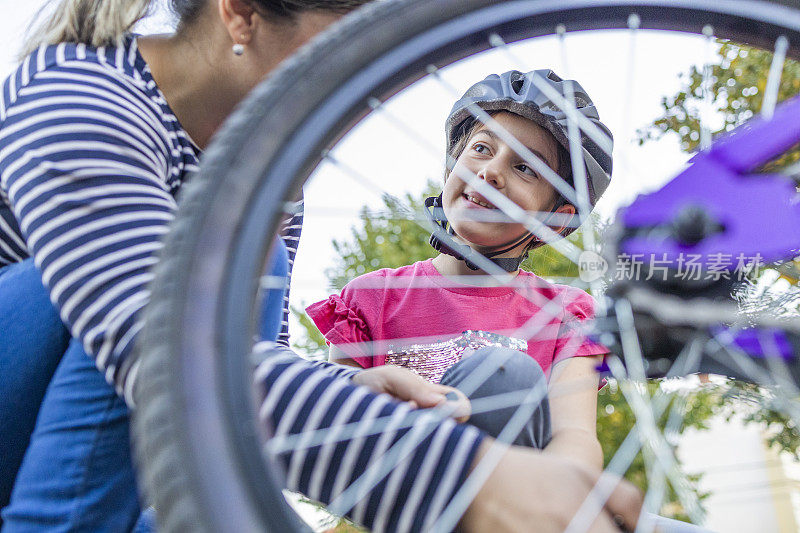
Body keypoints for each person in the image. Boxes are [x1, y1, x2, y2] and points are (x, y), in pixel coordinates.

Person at [0, 0, 643, 530]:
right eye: (346, 47)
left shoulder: (272, 177)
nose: (364, 84)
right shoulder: (82, 97)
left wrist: (347, 391)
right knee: (194, 271)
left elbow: (251, 359)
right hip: (51, 408)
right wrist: (467, 480)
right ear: (241, 13)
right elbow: (150, 340)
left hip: (120, 447)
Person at [307, 69, 610, 469]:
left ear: (555, 221)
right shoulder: (369, 299)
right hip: (401, 492)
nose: (490, 172)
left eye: (525, 169)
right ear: (451, 170)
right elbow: (338, 429)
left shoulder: (568, 316)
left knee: (505, 374)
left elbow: (576, 440)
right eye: (482, 149)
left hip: (518, 497)